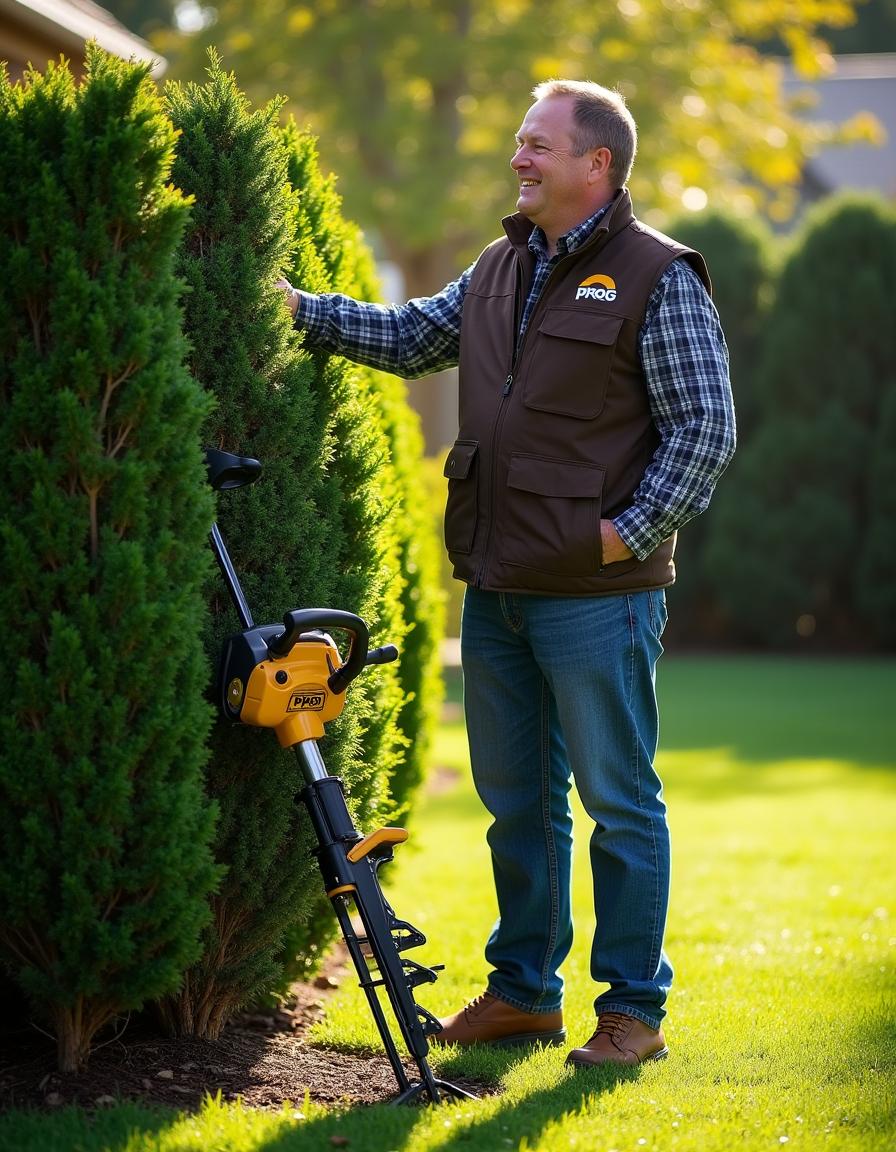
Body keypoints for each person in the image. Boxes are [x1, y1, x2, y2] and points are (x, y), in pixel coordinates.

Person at [278, 79, 735, 1067]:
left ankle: (631, 1014)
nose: (517, 159)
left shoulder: (658, 276)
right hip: (497, 591)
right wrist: (298, 311)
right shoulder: (497, 266)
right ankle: (524, 992)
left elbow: (705, 428)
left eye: (536, 144)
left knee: (618, 805)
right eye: (518, 143)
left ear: (595, 165)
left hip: (598, 597)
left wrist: (621, 535)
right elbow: (406, 339)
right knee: (516, 806)